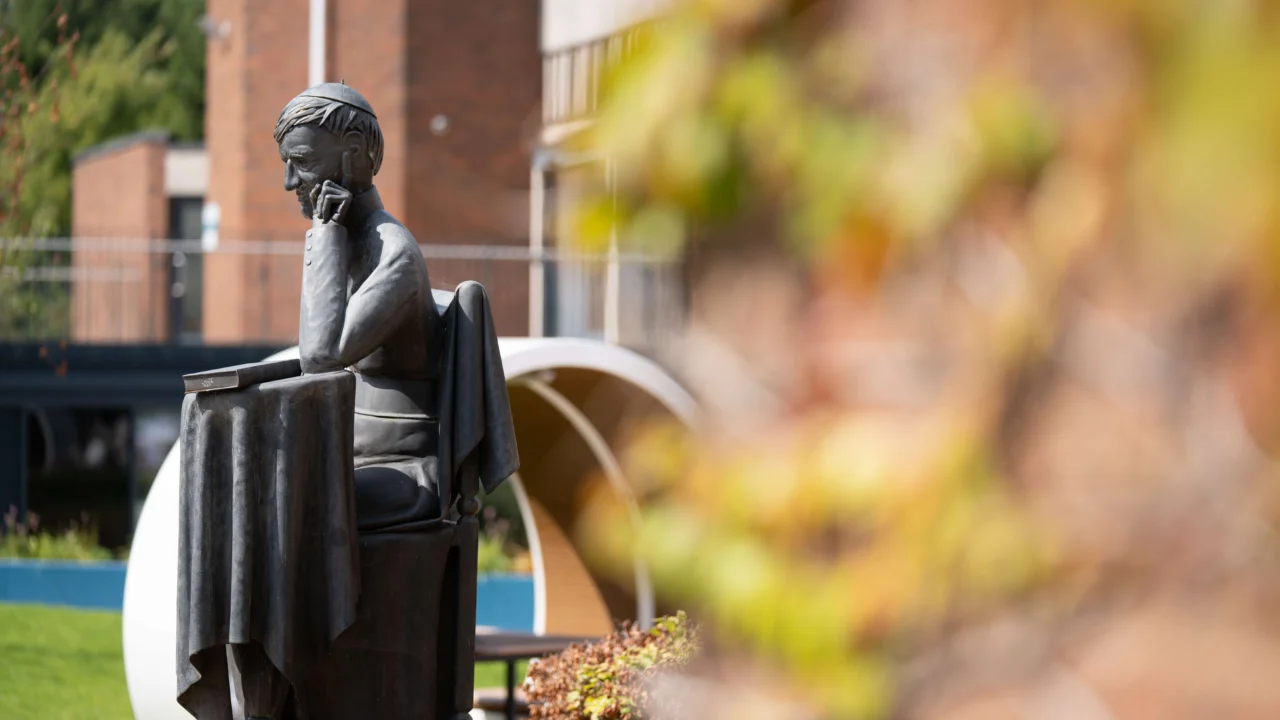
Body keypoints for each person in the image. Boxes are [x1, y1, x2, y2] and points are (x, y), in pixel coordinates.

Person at [276, 82, 445, 532]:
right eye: (287, 165)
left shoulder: (395, 255)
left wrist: (326, 236)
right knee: (251, 487)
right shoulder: (352, 244)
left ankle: (330, 606)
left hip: (405, 471)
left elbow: (321, 357)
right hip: (352, 457)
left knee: (292, 508)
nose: (290, 182)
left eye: (303, 163)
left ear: (353, 154)